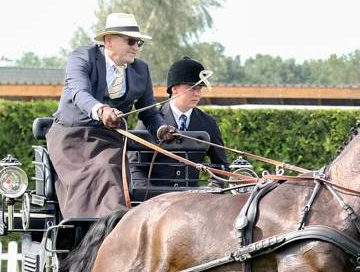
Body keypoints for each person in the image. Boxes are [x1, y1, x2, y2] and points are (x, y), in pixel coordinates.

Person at [47, 12, 170, 218]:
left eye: (139, 43)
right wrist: (101, 110)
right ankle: (96, 227)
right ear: (109, 41)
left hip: (109, 139)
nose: (136, 47)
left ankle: (113, 227)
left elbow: (149, 110)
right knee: (103, 167)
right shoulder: (82, 57)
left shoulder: (141, 70)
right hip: (72, 137)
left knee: (110, 165)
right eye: (131, 41)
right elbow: (79, 93)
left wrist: (161, 129)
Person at [160, 56, 228, 169]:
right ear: (174, 89)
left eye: (200, 88)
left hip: (193, 187)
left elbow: (221, 165)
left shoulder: (209, 123)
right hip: (154, 186)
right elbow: (135, 165)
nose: (197, 94)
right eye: (192, 88)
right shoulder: (150, 120)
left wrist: (213, 186)